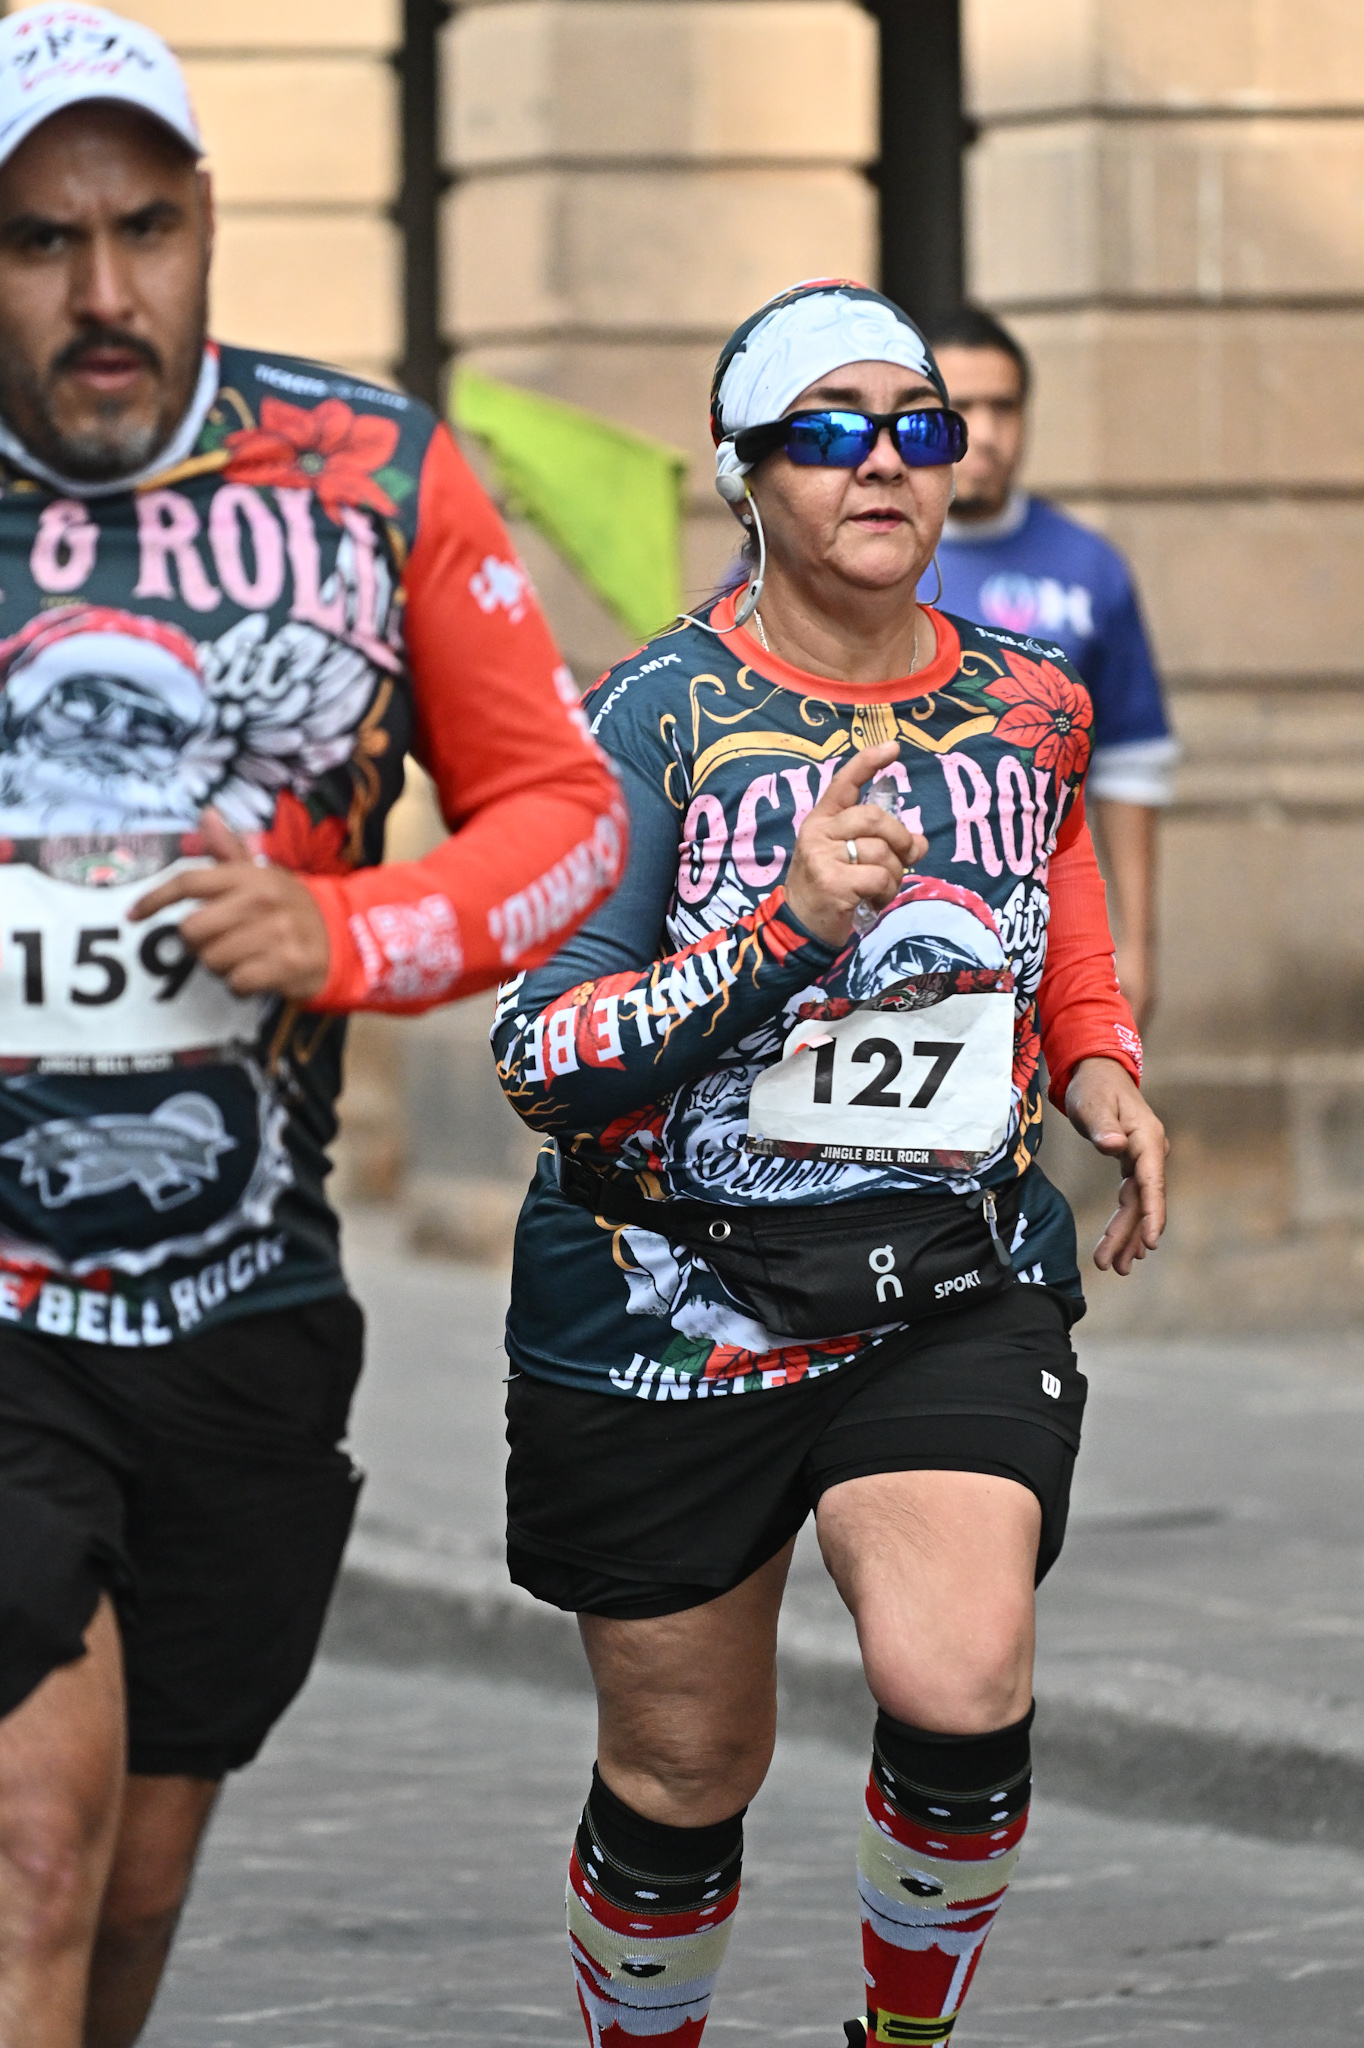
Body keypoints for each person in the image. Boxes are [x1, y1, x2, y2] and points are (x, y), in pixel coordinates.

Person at [0, 8, 624, 2045]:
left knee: (131, 1879)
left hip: (241, 1297)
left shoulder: (371, 474)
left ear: (206, 221)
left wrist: (339, 927)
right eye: (40, 240)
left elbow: (561, 812)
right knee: (34, 1842)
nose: (103, 292)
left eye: (144, 229)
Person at [492, 277, 1167, 2048]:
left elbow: (1058, 890)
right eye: (826, 432)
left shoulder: (1029, 700)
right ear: (745, 472)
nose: (882, 461)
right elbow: (538, 1055)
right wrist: (783, 926)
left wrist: (1097, 1058)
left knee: (959, 1673)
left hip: (943, 1270)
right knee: (684, 1764)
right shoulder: (642, 716)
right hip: (669, 1301)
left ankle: (903, 2038)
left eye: (916, 427)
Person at [921, 304, 1176, 1028]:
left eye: (1004, 408)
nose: (985, 434)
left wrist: (1136, 945)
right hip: (885, 933)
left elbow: (1131, 761)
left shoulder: (1089, 568)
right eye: (960, 410)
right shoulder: (858, 557)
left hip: (1046, 946)